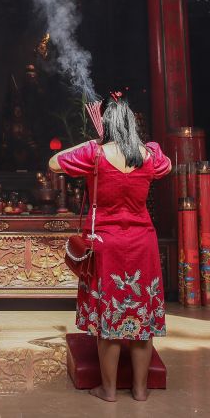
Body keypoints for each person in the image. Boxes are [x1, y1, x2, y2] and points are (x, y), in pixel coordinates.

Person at [49, 95, 171, 402]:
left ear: (107, 125)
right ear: (132, 124)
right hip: (143, 243)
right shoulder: (149, 154)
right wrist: (141, 146)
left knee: (110, 320)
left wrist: (93, 142)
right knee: (141, 318)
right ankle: (141, 391)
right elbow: (167, 166)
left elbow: (53, 162)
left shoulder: (95, 153)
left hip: (107, 244)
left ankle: (108, 389)